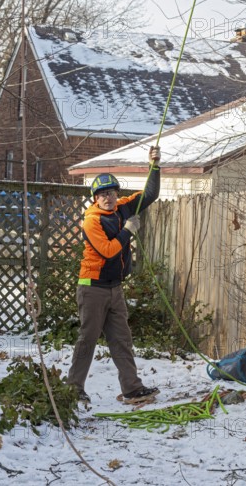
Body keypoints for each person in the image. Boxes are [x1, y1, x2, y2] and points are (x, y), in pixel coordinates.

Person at [67, 146, 161, 403]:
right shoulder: (92, 220)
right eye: (102, 194)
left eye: (111, 193)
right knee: (88, 339)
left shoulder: (122, 207)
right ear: (95, 198)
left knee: (122, 339)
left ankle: (132, 388)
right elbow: (108, 251)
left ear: (117, 194)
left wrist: (154, 165)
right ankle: (73, 388)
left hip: (115, 288)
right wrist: (129, 230)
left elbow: (150, 194)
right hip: (92, 288)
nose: (108, 198)